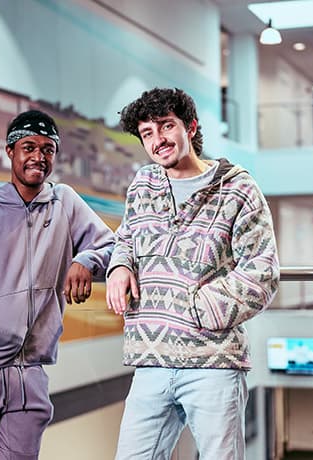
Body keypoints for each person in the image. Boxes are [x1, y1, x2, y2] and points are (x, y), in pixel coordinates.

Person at [0, 109, 114, 460]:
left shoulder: (66, 204)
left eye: (47, 149)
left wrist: (84, 261)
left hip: (29, 372)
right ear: (10, 151)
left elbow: (109, 245)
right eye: (29, 147)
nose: (38, 157)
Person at [106, 88, 280, 459]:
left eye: (166, 126)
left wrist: (201, 309)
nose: (158, 140)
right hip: (149, 361)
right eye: (147, 133)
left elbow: (262, 272)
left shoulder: (238, 188)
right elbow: (127, 237)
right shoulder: (143, 185)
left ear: (191, 127)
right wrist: (120, 264)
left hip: (213, 363)